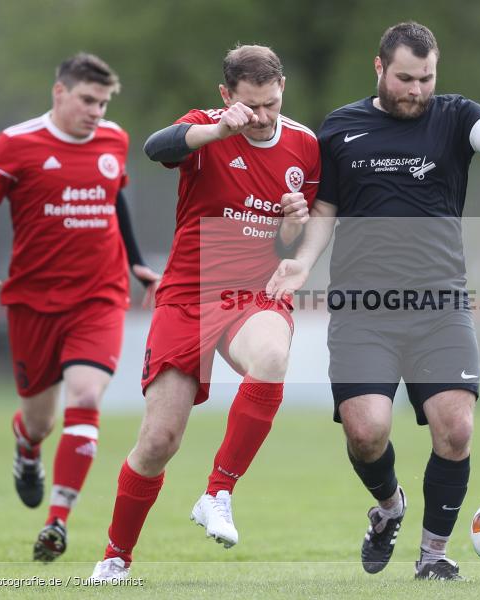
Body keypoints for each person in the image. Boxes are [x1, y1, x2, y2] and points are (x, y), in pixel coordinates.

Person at [266, 21, 480, 581]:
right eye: (405, 78)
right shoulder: (341, 128)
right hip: (363, 308)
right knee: (365, 432)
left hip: (440, 305)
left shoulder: (455, 116)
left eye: (426, 78)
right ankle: (389, 508)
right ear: (379, 68)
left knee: (456, 429)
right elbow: (324, 212)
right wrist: (300, 262)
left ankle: (433, 556)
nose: (417, 90)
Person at [89, 44, 319, 582]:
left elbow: (291, 245)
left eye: (272, 103)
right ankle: (116, 557)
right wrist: (219, 131)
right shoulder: (204, 129)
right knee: (158, 442)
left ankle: (218, 493)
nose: (263, 117)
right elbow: (154, 147)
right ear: (227, 97)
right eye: (251, 106)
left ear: (282, 86)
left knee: (271, 355)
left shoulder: (306, 145)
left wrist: (292, 224)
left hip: (251, 294)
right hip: (188, 294)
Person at [0, 53, 159, 562]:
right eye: (88, 100)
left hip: (100, 297)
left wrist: (134, 262)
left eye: (104, 102)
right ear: (59, 93)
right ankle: (27, 449)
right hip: (33, 303)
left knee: (86, 395)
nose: (96, 112)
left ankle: (57, 521)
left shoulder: (114, 138)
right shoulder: (16, 144)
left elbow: (116, 200)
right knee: (40, 422)